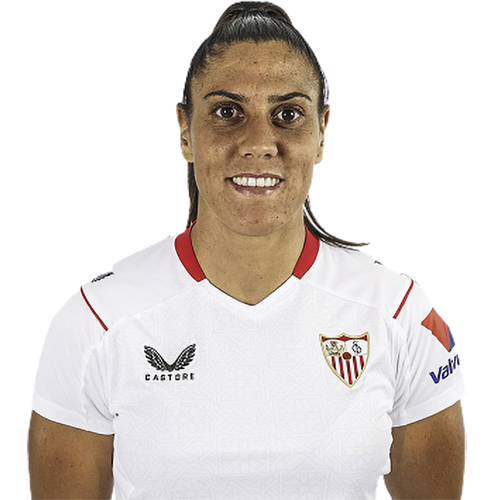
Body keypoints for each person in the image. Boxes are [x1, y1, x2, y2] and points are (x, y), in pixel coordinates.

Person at [29, 3, 466, 499]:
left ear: (322, 133)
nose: (259, 143)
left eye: (288, 115)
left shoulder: (402, 316)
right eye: (227, 112)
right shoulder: (95, 322)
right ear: (185, 131)